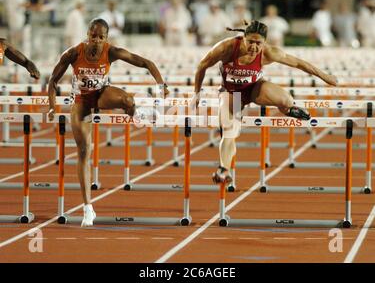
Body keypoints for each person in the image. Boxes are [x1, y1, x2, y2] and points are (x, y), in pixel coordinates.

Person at [47, 18, 169, 227]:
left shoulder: (111, 52)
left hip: (102, 94)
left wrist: (161, 85)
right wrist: (51, 106)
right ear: (87, 34)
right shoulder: (73, 53)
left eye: (100, 37)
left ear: (106, 38)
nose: (96, 40)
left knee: (128, 100)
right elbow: (52, 81)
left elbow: (146, 63)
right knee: (84, 150)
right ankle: (88, 208)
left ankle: (136, 115)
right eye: (93, 36)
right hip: (81, 100)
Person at [192, 20, 337, 184]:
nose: (254, 47)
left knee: (286, 99)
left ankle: (288, 108)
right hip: (231, 93)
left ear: (265, 42)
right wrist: (196, 93)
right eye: (250, 42)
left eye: (258, 43)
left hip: (255, 89)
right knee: (229, 131)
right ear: (243, 38)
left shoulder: (270, 52)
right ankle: (223, 170)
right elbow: (202, 66)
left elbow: (298, 63)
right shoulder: (226, 48)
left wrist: (326, 77)